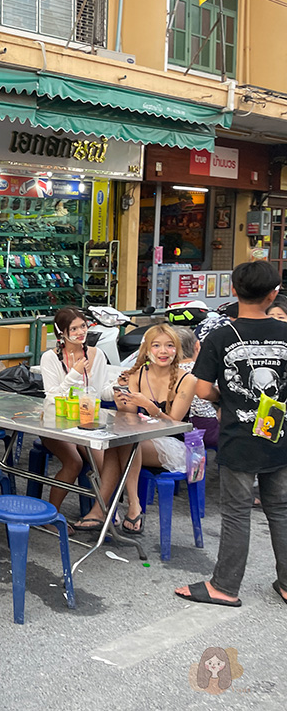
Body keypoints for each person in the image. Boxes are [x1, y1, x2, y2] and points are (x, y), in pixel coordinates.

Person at [177, 261, 287, 608]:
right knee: (281, 509)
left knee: (237, 512)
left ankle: (224, 586)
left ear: (234, 291)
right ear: (274, 293)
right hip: (280, 435)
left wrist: (225, 398)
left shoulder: (221, 336)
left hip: (238, 436)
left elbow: (202, 388)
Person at [106, 324, 197, 534]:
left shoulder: (187, 379)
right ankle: (108, 508)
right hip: (140, 439)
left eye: (169, 346)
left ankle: (126, 505)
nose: (163, 351)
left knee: (126, 442)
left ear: (177, 350)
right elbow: (128, 415)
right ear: (147, 350)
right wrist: (121, 400)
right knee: (117, 444)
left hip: (176, 446)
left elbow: (175, 424)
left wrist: (150, 407)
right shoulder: (138, 374)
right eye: (156, 346)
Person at [38, 307, 112, 524]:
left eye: (83, 326)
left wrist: (120, 388)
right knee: (74, 462)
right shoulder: (50, 358)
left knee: (105, 464)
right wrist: (75, 373)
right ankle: (51, 517)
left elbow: (102, 389)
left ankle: (103, 514)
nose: (81, 332)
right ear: (61, 332)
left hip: (87, 422)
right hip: (55, 423)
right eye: (74, 328)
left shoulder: (97, 355)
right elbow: (52, 396)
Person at [175, 325, 220, 450]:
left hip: (177, 429)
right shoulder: (204, 369)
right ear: (197, 346)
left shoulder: (168, 372)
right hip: (207, 428)